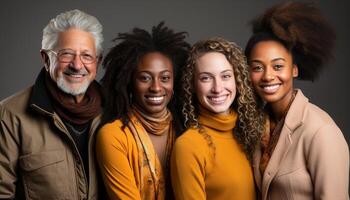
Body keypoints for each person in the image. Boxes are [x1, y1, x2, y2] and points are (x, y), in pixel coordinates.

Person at [244, 2, 349, 199]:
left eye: (277, 66)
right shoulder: (255, 127)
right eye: (257, 67)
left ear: (294, 69)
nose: (267, 76)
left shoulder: (320, 131)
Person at [0, 9, 104, 199]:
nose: (77, 65)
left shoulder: (115, 110)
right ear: (46, 59)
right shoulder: (9, 115)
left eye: (87, 56)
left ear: (98, 61)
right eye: (66, 54)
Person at [95, 22, 189, 200]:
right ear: (129, 82)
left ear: (174, 82)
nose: (156, 87)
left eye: (165, 78)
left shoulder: (186, 129)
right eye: (145, 78)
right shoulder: (113, 136)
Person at [171, 37, 264, 200]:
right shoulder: (189, 145)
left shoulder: (247, 133)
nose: (218, 88)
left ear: (237, 80)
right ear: (192, 85)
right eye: (206, 78)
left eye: (226, 76)